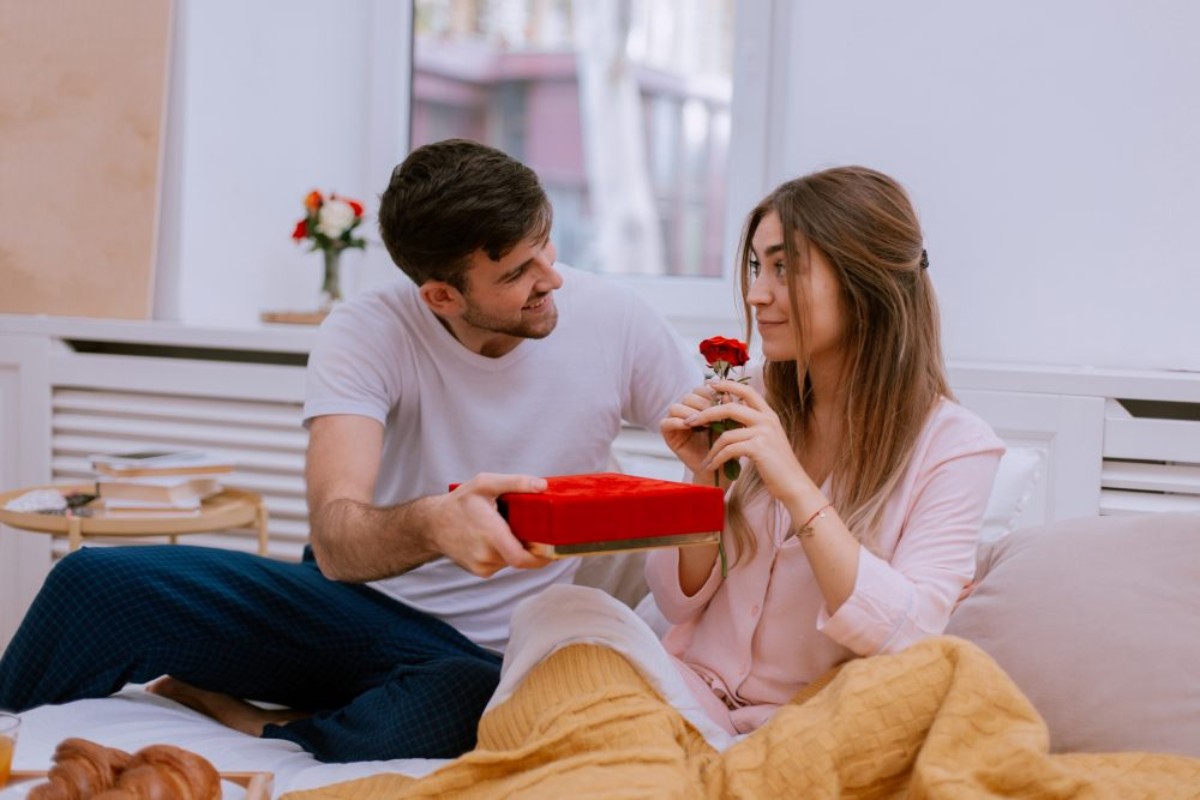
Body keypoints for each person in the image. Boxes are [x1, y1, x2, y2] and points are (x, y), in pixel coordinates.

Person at [0, 139, 700, 762]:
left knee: (462, 701)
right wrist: (434, 524)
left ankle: (254, 723)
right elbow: (337, 540)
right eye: (519, 271)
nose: (552, 278)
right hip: (350, 611)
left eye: (546, 246)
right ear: (441, 295)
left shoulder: (616, 321)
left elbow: (719, 445)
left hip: (483, 653)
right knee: (92, 583)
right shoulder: (367, 330)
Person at [646, 164, 1005, 735]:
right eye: (758, 266)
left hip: (811, 728)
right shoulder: (748, 398)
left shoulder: (956, 448)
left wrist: (793, 485)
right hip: (687, 695)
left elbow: (908, 639)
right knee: (562, 618)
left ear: (864, 284)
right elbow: (674, 603)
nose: (756, 294)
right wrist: (704, 483)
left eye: (785, 268)